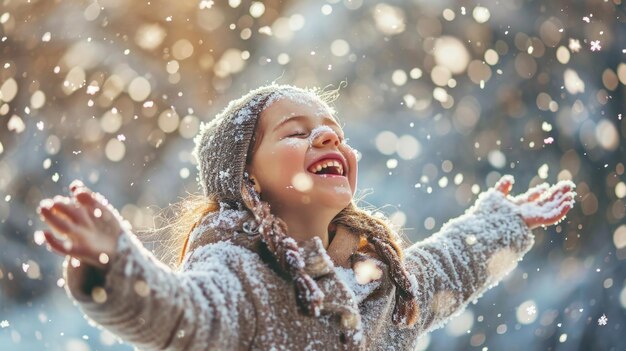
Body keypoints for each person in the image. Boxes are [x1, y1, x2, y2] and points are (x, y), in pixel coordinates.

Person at [37, 84, 576, 350]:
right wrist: (115, 264)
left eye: (335, 131)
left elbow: (445, 268)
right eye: (295, 131)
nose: (326, 136)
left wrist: (500, 223)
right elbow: (179, 315)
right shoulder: (238, 274)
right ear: (245, 179)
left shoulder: (379, 280)